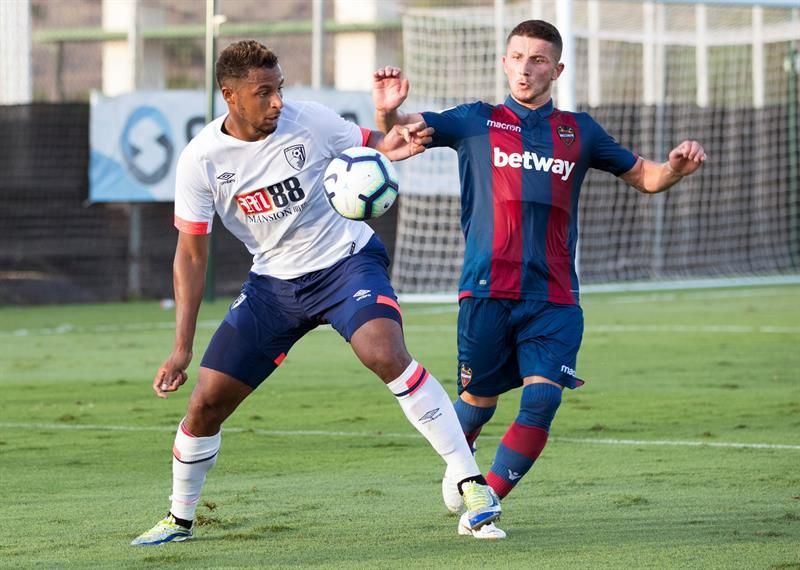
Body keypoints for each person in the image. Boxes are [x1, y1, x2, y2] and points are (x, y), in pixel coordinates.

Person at [131, 40, 502, 546]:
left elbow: (379, 144)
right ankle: (179, 519)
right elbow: (191, 255)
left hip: (347, 263)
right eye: (264, 93)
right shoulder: (201, 160)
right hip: (273, 286)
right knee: (205, 404)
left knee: (384, 351)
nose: (278, 101)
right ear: (230, 96)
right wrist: (180, 348)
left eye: (280, 88)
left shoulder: (310, 120)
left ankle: (471, 481)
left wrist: (388, 116)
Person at [373, 19, 706, 533]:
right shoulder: (474, 121)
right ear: (504, 61)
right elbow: (399, 137)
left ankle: (485, 501)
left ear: (557, 68)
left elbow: (646, 176)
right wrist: (389, 108)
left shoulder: (580, 131)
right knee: (476, 404)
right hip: (486, 291)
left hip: (553, 295)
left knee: (544, 397)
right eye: (517, 57)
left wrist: (676, 168)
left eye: (537, 59)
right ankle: (464, 463)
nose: (525, 68)